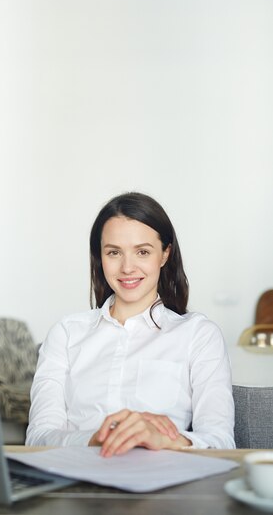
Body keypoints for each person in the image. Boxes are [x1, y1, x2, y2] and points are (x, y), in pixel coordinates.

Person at [26, 192, 235, 454]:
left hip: (162, 484)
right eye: (114, 252)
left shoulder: (198, 335)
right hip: (76, 481)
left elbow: (221, 440)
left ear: (164, 254)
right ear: (100, 257)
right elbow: (38, 438)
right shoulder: (66, 333)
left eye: (142, 252)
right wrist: (96, 439)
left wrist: (163, 439)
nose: (127, 267)